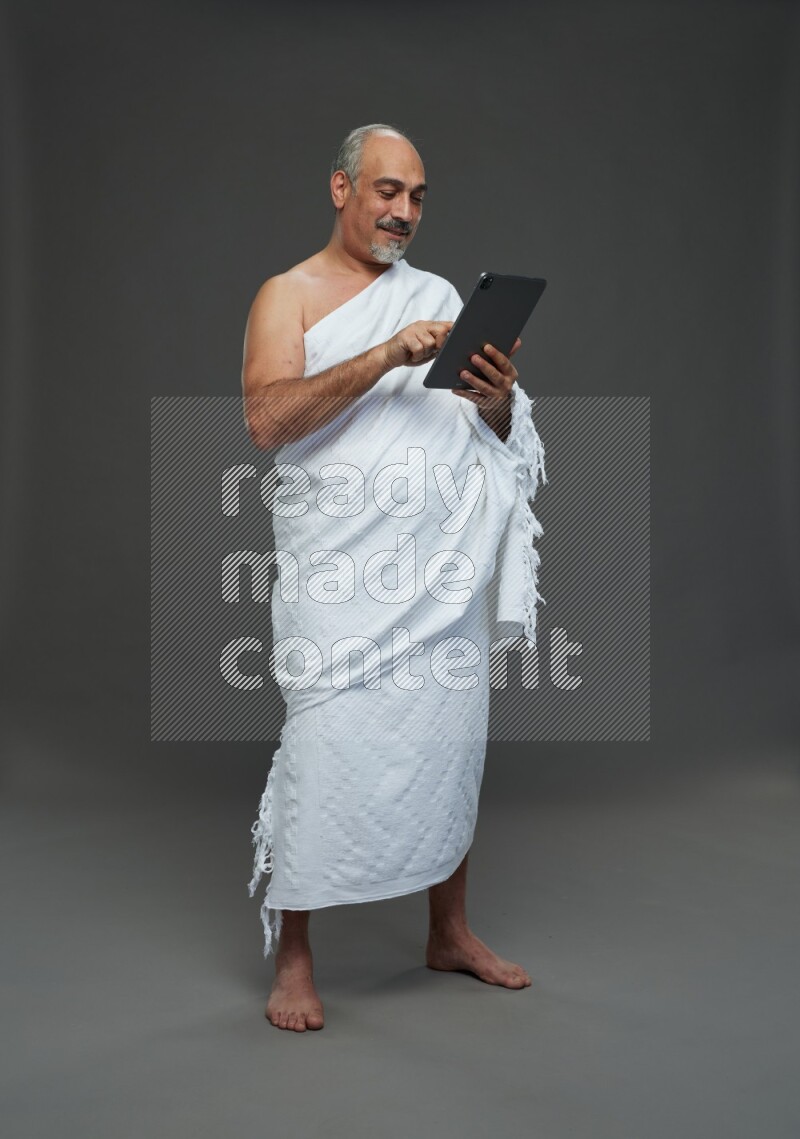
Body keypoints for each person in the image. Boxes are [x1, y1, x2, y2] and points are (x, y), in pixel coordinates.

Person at [241, 123, 546, 1032]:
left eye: (416, 197)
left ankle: (448, 930)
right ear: (340, 188)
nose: (403, 212)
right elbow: (267, 422)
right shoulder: (286, 295)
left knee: (445, 739)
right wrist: (385, 356)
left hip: (434, 577)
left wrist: (495, 404)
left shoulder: (442, 296)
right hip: (342, 578)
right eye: (386, 191)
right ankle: (295, 955)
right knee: (321, 746)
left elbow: (483, 436)